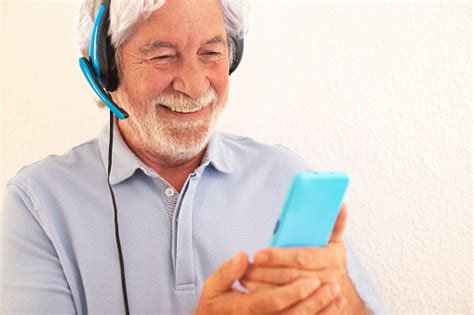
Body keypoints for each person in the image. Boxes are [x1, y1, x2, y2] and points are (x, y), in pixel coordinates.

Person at [2, 0, 386, 314]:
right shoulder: (37, 203)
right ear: (105, 70)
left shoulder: (285, 176)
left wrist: (343, 300)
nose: (194, 84)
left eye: (211, 53)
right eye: (163, 56)